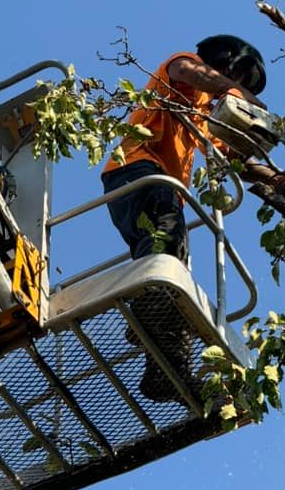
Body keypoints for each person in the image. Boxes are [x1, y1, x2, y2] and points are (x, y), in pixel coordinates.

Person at [101, 35, 267, 403]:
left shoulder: (205, 118)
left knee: (174, 274)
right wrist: (239, 93)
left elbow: (235, 160)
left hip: (159, 191)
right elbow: (190, 73)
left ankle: (167, 371)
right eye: (237, 75)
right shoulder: (183, 67)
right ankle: (145, 305)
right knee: (166, 247)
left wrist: (277, 175)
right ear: (227, 62)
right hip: (138, 169)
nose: (236, 84)